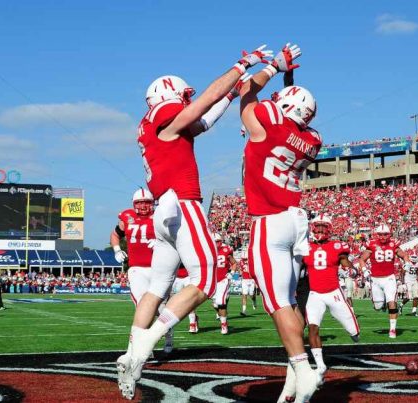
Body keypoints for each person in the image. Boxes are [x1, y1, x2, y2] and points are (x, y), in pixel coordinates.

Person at [117, 43, 273, 400]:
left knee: (158, 287)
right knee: (205, 279)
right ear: (169, 96)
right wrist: (240, 66)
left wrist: (233, 94)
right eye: (182, 95)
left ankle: (131, 351)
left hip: (163, 211)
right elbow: (203, 103)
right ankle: (140, 351)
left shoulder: (156, 125)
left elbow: (204, 118)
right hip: (182, 204)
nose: (188, 100)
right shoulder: (165, 115)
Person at [238, 42, 323, 402]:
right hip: (296, 219)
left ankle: (305, 370)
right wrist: (289, 81)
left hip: (270, 221)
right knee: (287, 301)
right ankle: (293, 381)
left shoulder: (270, 124)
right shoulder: (312, 139)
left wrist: (274, 66)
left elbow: (246, 92)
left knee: (277, 304)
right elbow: (289, 117)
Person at [111, 188, 175, 354]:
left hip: (158, 268)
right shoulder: (127, 216)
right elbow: (115, 234)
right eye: (139, 202)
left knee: (161, 308)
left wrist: (163, 243)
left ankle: (168, 334)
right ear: (134, 204)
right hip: (137, 268)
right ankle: (145, 343)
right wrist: (117, 249)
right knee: (142, 305)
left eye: (146, 202)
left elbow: (175, 237)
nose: (143, 206)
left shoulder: (160, 216)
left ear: (152, 202)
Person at [302, 214, 359, 384]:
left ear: (329, 229)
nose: (319, 229)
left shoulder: (336, 246)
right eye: (317, 226)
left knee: (354, 333)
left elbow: (344, 261)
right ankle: (320, 365)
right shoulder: (305, 247)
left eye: (323, 227)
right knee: (312, 328)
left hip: (333, 293)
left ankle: (354, 333)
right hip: (314, 294)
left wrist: (351, 269)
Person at [359, 224, 412, 338]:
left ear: (389, 234)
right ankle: (382, 304)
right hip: (375, 279)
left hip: (389, 278)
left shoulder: (393, 244)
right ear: (377, 235)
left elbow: (404, 255)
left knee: (392, 302)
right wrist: (364, 270)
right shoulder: (372, 244)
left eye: (385, 234)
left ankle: (392, 329)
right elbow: (362, 259)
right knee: (377, 307)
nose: (383, 237)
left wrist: (407, 263)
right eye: (380, 234)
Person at [212, 233, 237, 334]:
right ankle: (224, 318)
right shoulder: (208, 251)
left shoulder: (226, 250)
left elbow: (234, 263)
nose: (216, 244)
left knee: (221, 303)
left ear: (220, 241)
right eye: (214, 242)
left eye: (217, 241)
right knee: (214, 304)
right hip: (212, 281)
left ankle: (223, 325)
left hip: (223, 280)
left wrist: (231, 273)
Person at [239, 250, 257, 315]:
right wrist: (240, 272)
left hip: (251, 280)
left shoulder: (252, 261)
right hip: (244, 280)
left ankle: (254, 301)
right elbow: (240, 269)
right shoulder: (241, 261)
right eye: (243, 259)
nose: (244, 260)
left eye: (245, 259)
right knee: (244, 294)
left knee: (251, 295)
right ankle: (244, 310)